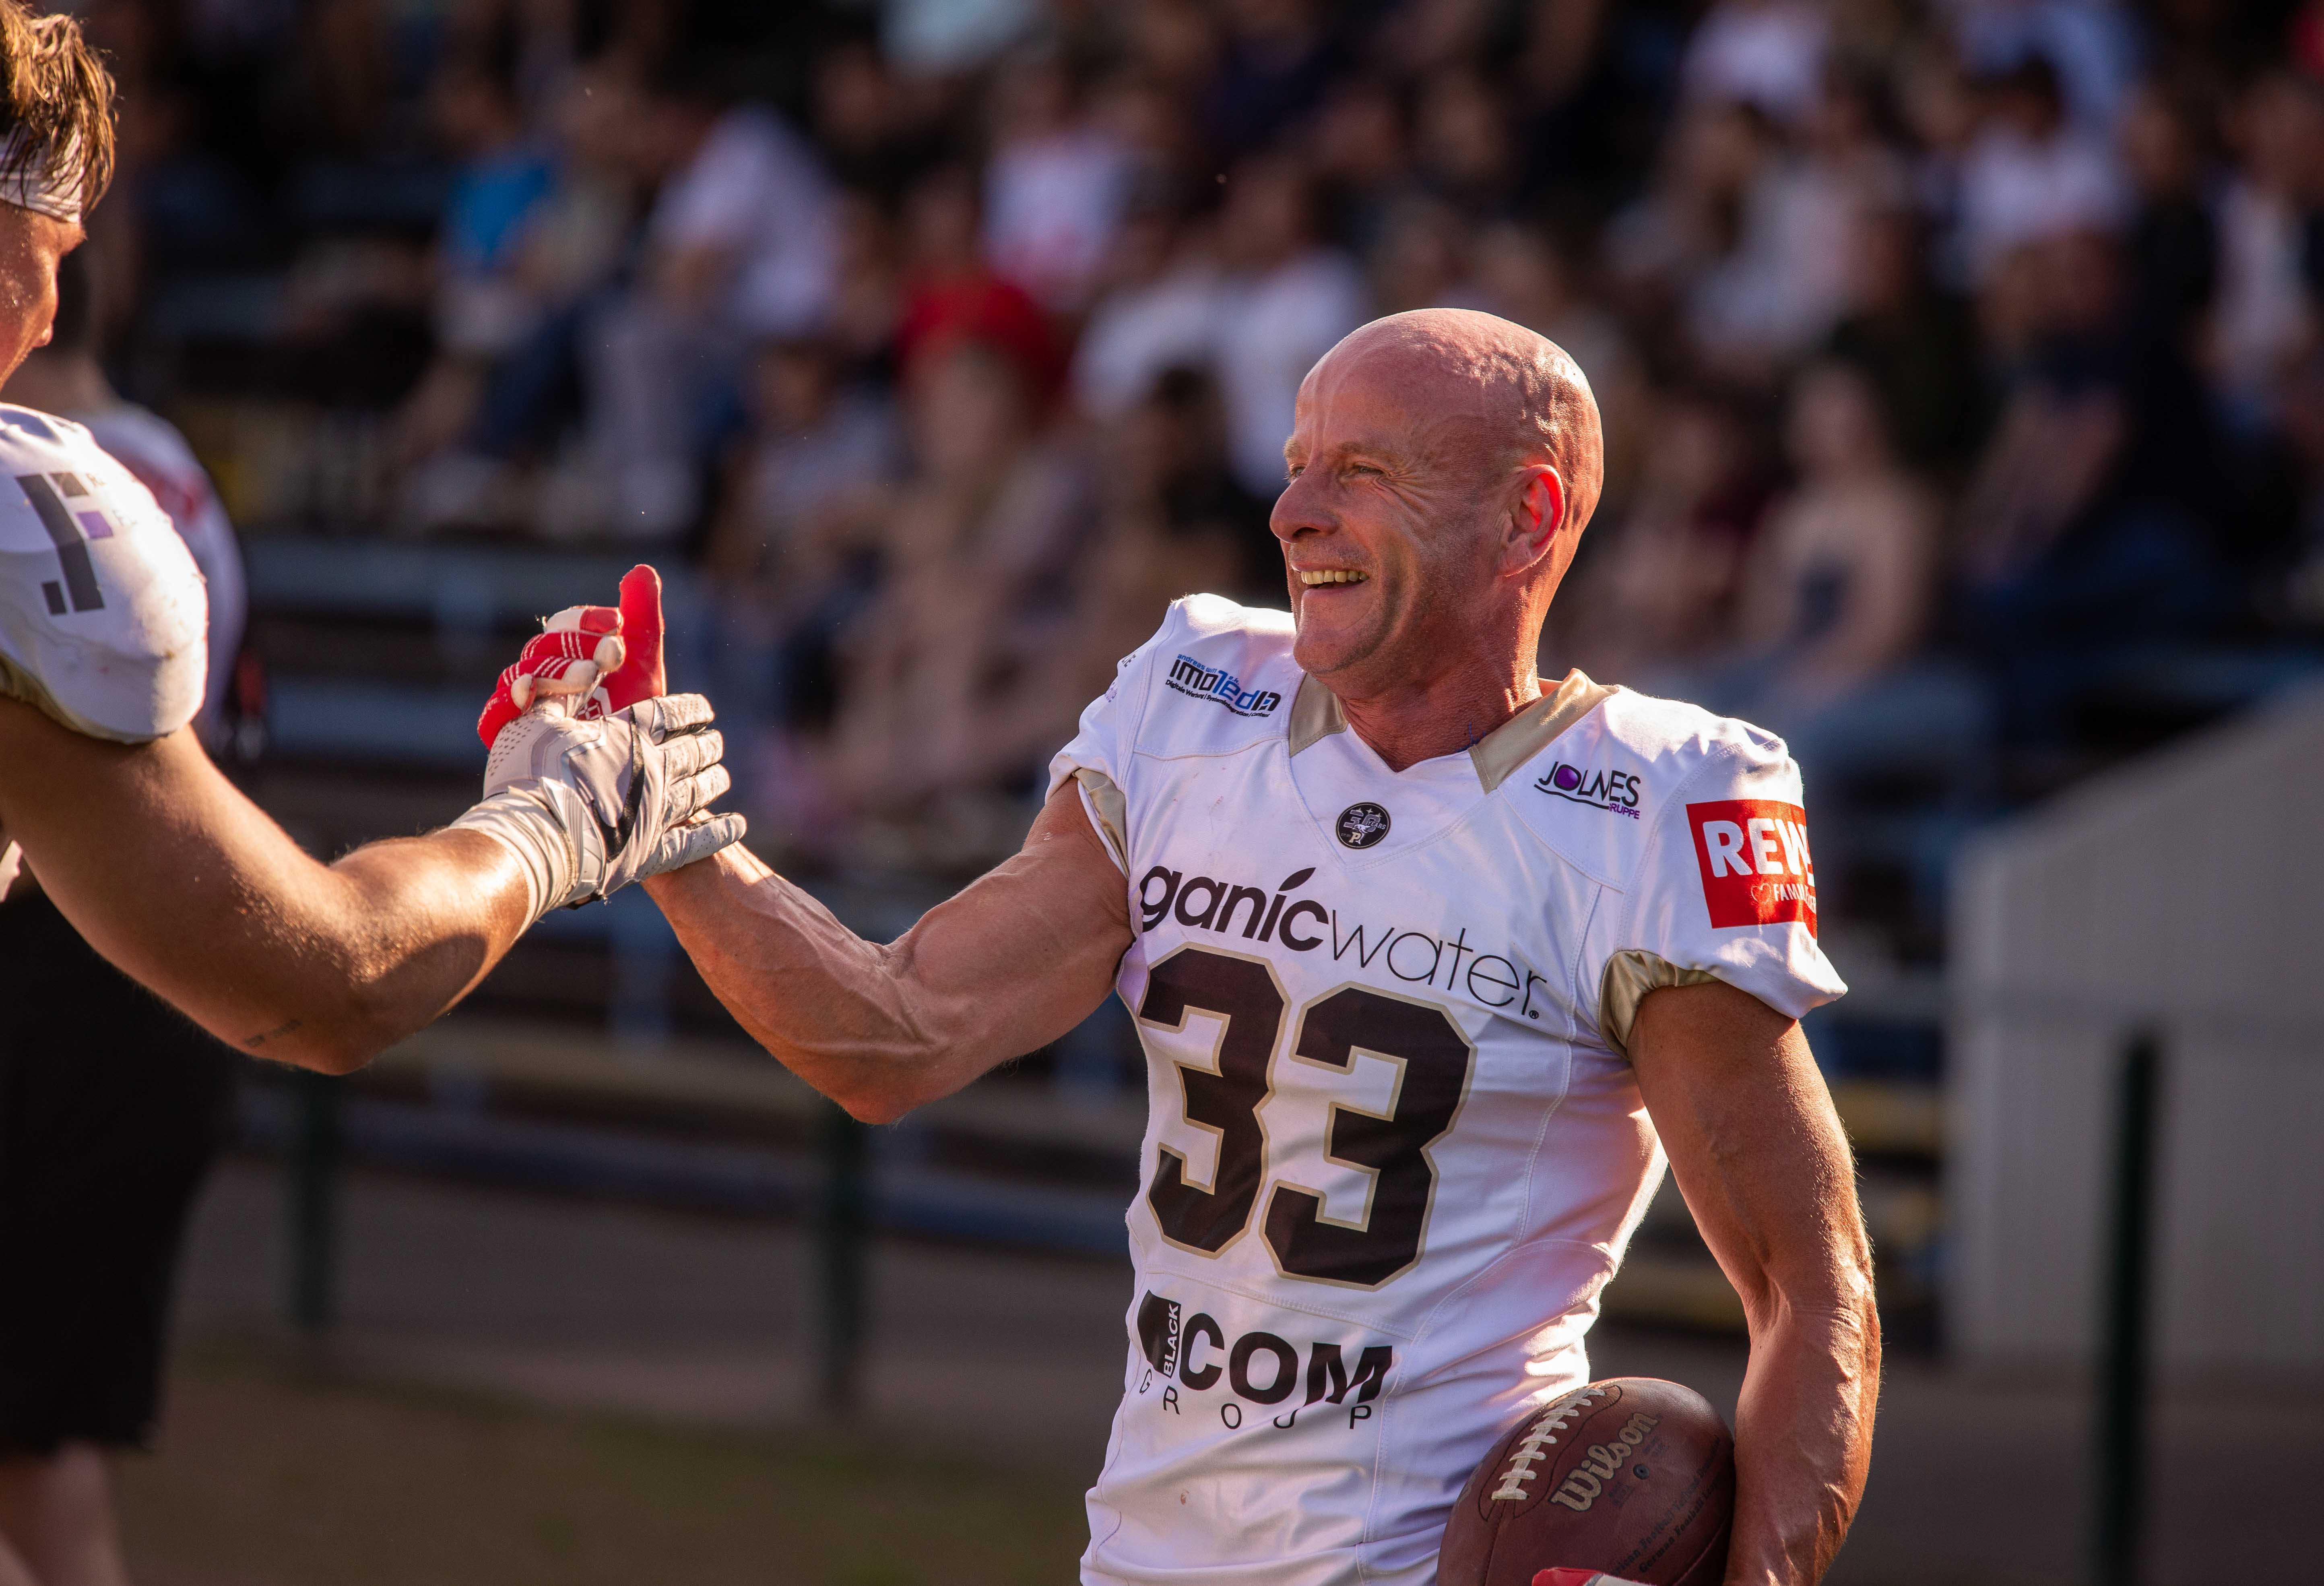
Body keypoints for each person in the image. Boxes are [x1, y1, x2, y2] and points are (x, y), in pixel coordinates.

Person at [637, 308, 1880, 1585]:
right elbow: (894, 1037)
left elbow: (1809, 1283)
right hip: (1141, 1556)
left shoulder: (1652, 804)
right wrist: (673, 828)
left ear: (1527, 519)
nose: (1291, 510)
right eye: (1296, 461)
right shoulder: (1196, 696)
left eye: (1364, 471)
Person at [0, 16, 739, 1581]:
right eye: (33, 244)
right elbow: (321, 982)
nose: (45, 300)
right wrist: (549, 818)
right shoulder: (37, 538)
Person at [0, 246, 250, 1586]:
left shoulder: (51, 490)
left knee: (32, 1435)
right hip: (141, 970)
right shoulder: (161, 470)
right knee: (39, 1432)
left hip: (86, 977)